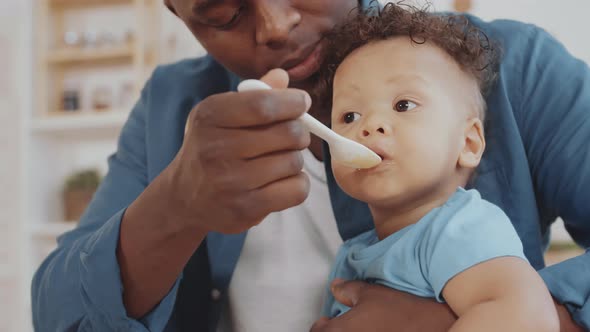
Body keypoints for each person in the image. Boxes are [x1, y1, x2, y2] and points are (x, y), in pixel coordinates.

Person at [31, 0, 589, 331]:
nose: (274, 23)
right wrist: (176, 207)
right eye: (221, 10)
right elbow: (57, 313)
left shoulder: (507, 68)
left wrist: (482, 316)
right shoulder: (170, 107)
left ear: (471, 140)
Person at [314, 5, 558, 331]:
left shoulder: (458, 228)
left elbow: (526, 317)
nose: (370, 126)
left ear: (468, 143)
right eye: (349, 117)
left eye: (404, 105)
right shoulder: (356, 250)